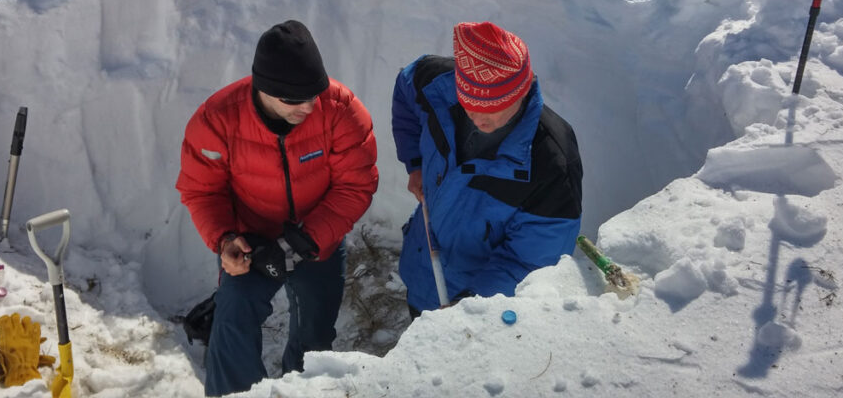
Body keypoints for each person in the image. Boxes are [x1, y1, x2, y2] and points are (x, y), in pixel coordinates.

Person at [176, 19, 379, 397]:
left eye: (313, 96)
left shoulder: (340, 110)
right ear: (263, 89)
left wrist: (303, 242)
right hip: (250, 242)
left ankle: (300, 389)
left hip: (318, 238)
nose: (307, 107)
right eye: (293, 100)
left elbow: (356, 184)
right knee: (233, 319)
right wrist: (225, 240)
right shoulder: (218, 119)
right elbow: (202, 191)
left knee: (315, 335)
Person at [391, 21, 582, 315]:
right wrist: (414, 162)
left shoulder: (551, 162)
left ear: (522, 90)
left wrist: (468, 309)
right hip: (423, 263)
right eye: (470, 104)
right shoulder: (436, 84)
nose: (480, 119)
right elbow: (406, 92)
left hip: (477, 301)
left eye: (496, 107)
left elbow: (531, 262)